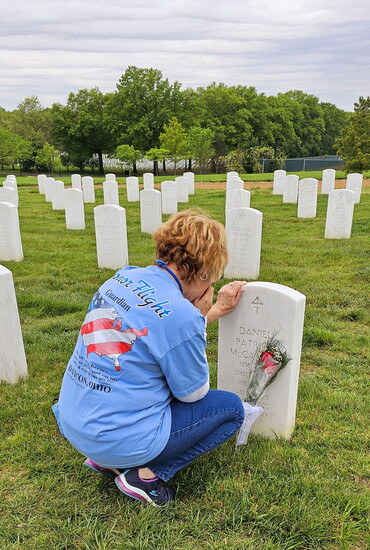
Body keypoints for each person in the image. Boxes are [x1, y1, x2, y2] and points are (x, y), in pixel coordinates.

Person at [53, 209, 246, 506]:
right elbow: (194, 393)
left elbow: (156, 333)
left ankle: (108, 460)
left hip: (74, 422)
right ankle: (145, 475)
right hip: (117, 438)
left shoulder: (123, 277)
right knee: (231, 409)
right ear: (206, 272)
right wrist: (199, 315)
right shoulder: (183, 316)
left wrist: (213, 313)